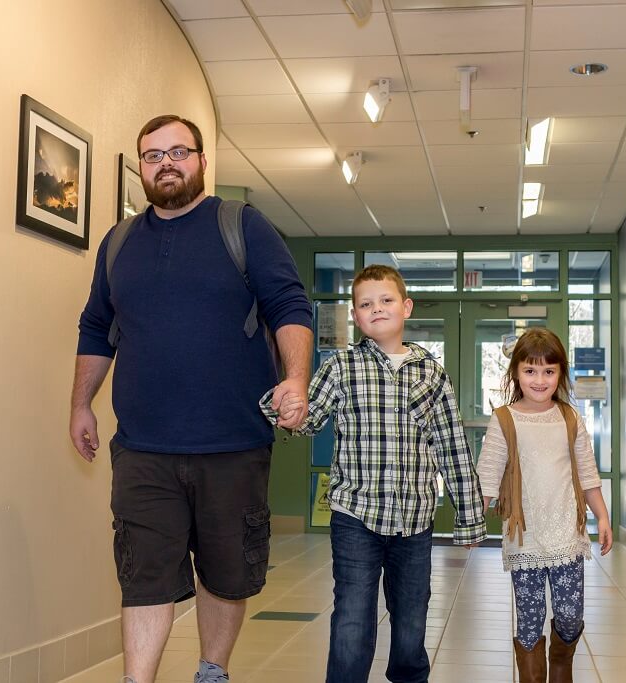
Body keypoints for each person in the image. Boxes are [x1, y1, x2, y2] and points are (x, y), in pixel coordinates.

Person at [69, 114, 313, 683]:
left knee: (227, 575)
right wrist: (81, 403)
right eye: (153, 156)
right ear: (141, 169)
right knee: (143, 574)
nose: (167, 164)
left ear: (203, 161)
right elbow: (94, 327)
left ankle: (211, 671)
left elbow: (289, 305)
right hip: (143, 448)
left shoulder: (242, 226)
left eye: (179, 152)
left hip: (232, 444)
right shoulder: (119, 242)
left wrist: (296, 379)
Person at [263, 265, 487, 683]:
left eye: (386, 300)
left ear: (406, 307)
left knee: (411, 619)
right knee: (352, 615)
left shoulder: (431, 373)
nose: (376, 309)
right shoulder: (341, 368)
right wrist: (287, 407)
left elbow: (451, 444)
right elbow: (307, 420)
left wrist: (469, 514)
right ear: (355, 316)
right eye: (365, 304)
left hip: (414, 520)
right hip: (355, 515)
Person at [476, 327, 613, 683]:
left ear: (560, 374)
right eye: (530, 371)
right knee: (529, 620)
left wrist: (603, 516)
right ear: (516, 373)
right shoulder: (505, 419)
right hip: (525, 538)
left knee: (569, 615)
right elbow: (488, 474)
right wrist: (473, 519)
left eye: (549, 371)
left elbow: (587, 473)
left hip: (567, 534)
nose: (540, 380)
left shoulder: (569, 418)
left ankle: (562, 663)